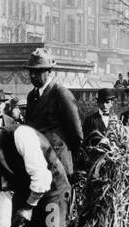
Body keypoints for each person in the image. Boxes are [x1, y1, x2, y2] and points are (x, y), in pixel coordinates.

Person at [23, 48, 84, 179]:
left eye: (38, 71)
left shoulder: (61, 94)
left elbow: (76, 133)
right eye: (31, 71)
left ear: (49, 71)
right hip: (38, 163)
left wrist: (72, 160)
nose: (33, 75)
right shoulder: (31, 96)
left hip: (58, 163)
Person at [82, 88, 117, 154]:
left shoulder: (116, 120)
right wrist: (99, 142)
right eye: (102, 102)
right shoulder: (90, 120)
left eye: (107, 102)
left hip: (112, 157)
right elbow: (85, 141)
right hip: (95, 157)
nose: (104, 105)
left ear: (112, 103)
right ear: (98, 103)